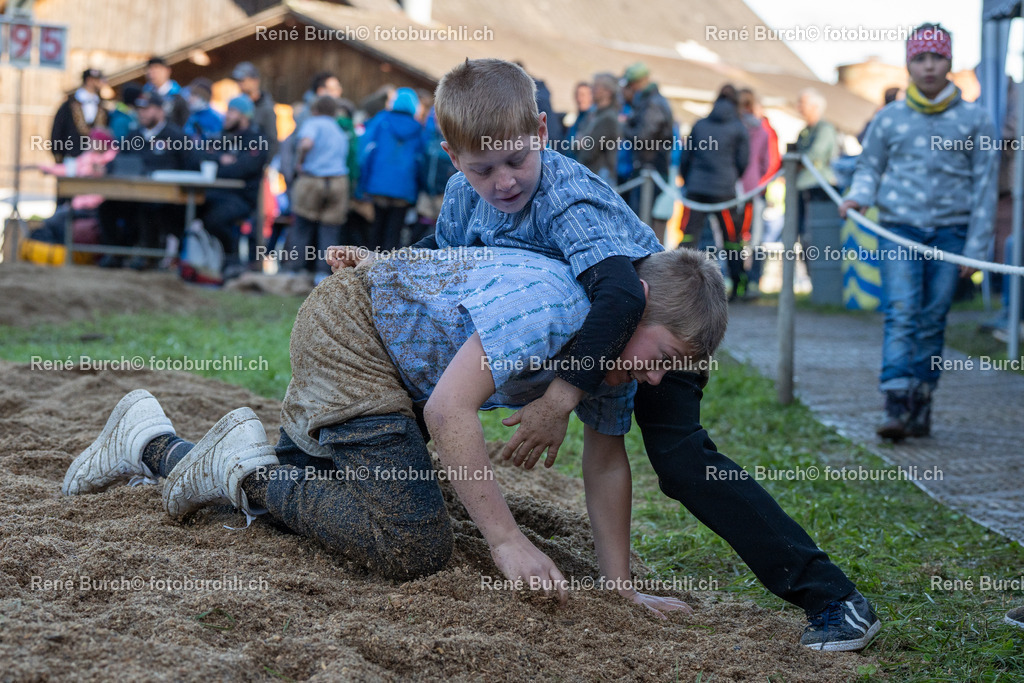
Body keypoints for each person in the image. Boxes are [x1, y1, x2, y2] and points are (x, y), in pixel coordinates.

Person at [329, 58, 881, 652]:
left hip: (664, 323)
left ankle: (834, 599)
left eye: (517, 160)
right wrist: (385, 262)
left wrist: (558, 400)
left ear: (542, 132)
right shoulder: (466, 192)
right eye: (484, 168)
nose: (505, 181)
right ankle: (333, 470)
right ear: (454, 157)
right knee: (432, 375)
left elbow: (621, 296)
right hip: (610, 328)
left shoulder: (567, 197)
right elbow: (445, 254)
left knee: (681, 461)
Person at [61, 245, 717, 618]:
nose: (657, 379)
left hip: (389, 368)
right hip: (354, 337)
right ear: (630, 304)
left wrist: (622, 585)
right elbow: (448, 414)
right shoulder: (556, 306)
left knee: (328, 501)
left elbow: (604, 466)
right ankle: (248, 470)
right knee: (412, 539)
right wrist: (506, 539)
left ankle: (152, 443)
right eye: (661, 356)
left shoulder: (608, 367)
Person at [840, 24, 998, 440]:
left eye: (937, 58)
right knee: (902, 313)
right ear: (909, 63)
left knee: (933, 319)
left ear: (949, 62)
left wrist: (976, 249)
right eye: (920, 58)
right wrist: (858, 196)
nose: (929, 66)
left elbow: (984, 187)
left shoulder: (975, 120)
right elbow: (869, 166)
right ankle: (895, 403)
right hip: (899, 231)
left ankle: (922, 400)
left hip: (951, 235)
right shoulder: (889, 118)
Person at [96, 91, 191, 269]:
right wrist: (106, 168)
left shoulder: (176, 136)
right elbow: (119, 160)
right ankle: (116, 253)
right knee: (106, 206)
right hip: (133, 193)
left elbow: (188, 167)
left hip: (166, 199)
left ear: (160, 110)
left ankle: (149, 256)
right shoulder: (134, 135)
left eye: (147, 109)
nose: (142, 113)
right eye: (140, 109)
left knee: (147, 209)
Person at [678, 84, 750, 299]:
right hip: (724, 191)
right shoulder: (739, 127)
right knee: (731, 239)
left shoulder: (699, 125)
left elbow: (685, 157)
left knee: (689, 237)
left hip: (696, 188)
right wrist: (730, 176)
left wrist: (689, 179)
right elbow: (743, 161)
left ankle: (679, 285)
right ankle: (740, 286)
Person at [193, 95, 270, 279]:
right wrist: (221, 159)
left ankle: (232, 260)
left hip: (243, 197)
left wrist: (220, 165)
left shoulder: (256, 139)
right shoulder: (222, 137)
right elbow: (198, 158)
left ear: (244, 115)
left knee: (215, 219)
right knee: (183, 211)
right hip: (213, 194)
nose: (226, 116)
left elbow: (242, 169)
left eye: (231, 111)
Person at [279, 95, 349, 283]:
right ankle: (323, 274)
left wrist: (299, 162)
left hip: (312, 181)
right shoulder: (339, 129)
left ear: (315, 109)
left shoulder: (313, 123)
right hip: (337, 182)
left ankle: (294, 271)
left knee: (302, 226)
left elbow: (306, 143)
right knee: (329, 230)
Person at [359, 87, 423, 252]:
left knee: (376, 228)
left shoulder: (382, 119)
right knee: (394, 232)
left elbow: (366, 152)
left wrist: (362, 184)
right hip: (404, 188)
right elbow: (420, 161)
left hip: (378, 184)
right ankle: (388, 271)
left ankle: (369, 268)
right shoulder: (418, 128)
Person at [737, 88, 772, 299]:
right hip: (757, 189)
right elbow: (767, 162)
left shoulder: (734, 129)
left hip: (735, 188)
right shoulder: (763, 131)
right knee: (757, 239)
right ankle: (754, 282)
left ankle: (737, 280)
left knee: (734, 237)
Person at [50, 68, 109, 163]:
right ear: (89, 81)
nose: (102, 82)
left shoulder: (102, 107)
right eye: (98, 80)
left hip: (96, 161)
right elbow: (57, 130)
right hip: (72, 157)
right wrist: (58, 155)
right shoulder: (68, 106)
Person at [575, 73, 620, 183]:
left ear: (607, 92)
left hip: (599, 177)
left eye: (596, 87)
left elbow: (589, 150)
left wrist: (581, 143)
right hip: (591, 174)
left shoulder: (608, 118)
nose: (592, 90)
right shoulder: (594, 114)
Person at [232, 61, 278, 160]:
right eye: (237, 80)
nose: (239, 84)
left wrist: (266, 165)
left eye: (242, 80)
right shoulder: (237, 105)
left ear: (255, 80)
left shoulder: (266, 109)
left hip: (257, 163)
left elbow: (272, 140)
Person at [143, 57, 189, 128]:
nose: (151, 73)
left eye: (156, 68)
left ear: (167, 71)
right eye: (150, 69)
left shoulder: (179, 94)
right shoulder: (145, 94)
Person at [183, 77, 224, 142]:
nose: (189, 98)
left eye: (194, 95)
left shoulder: (217, 118)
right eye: (190, 94)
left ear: (204, 98)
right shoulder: (189, 115)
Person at [565, 81, 594, 158]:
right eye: (577, 95)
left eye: (583, 95)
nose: (580, 99)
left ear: (591, 96)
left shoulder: (592, 118)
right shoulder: (577, 118)